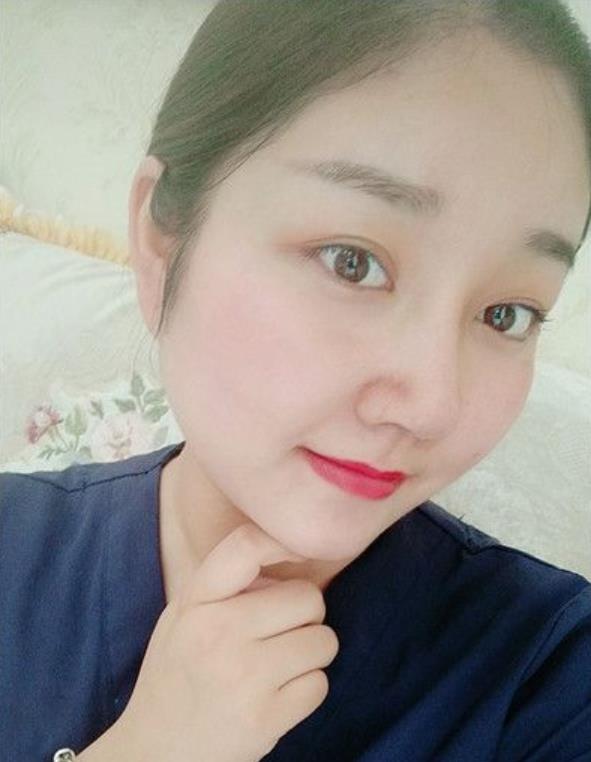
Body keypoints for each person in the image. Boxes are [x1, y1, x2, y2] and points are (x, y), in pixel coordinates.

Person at [1, 0, 590, 759]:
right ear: (161, 239)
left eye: (507, 314)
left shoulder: (551, 676)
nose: (433, 403)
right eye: (353, 262)